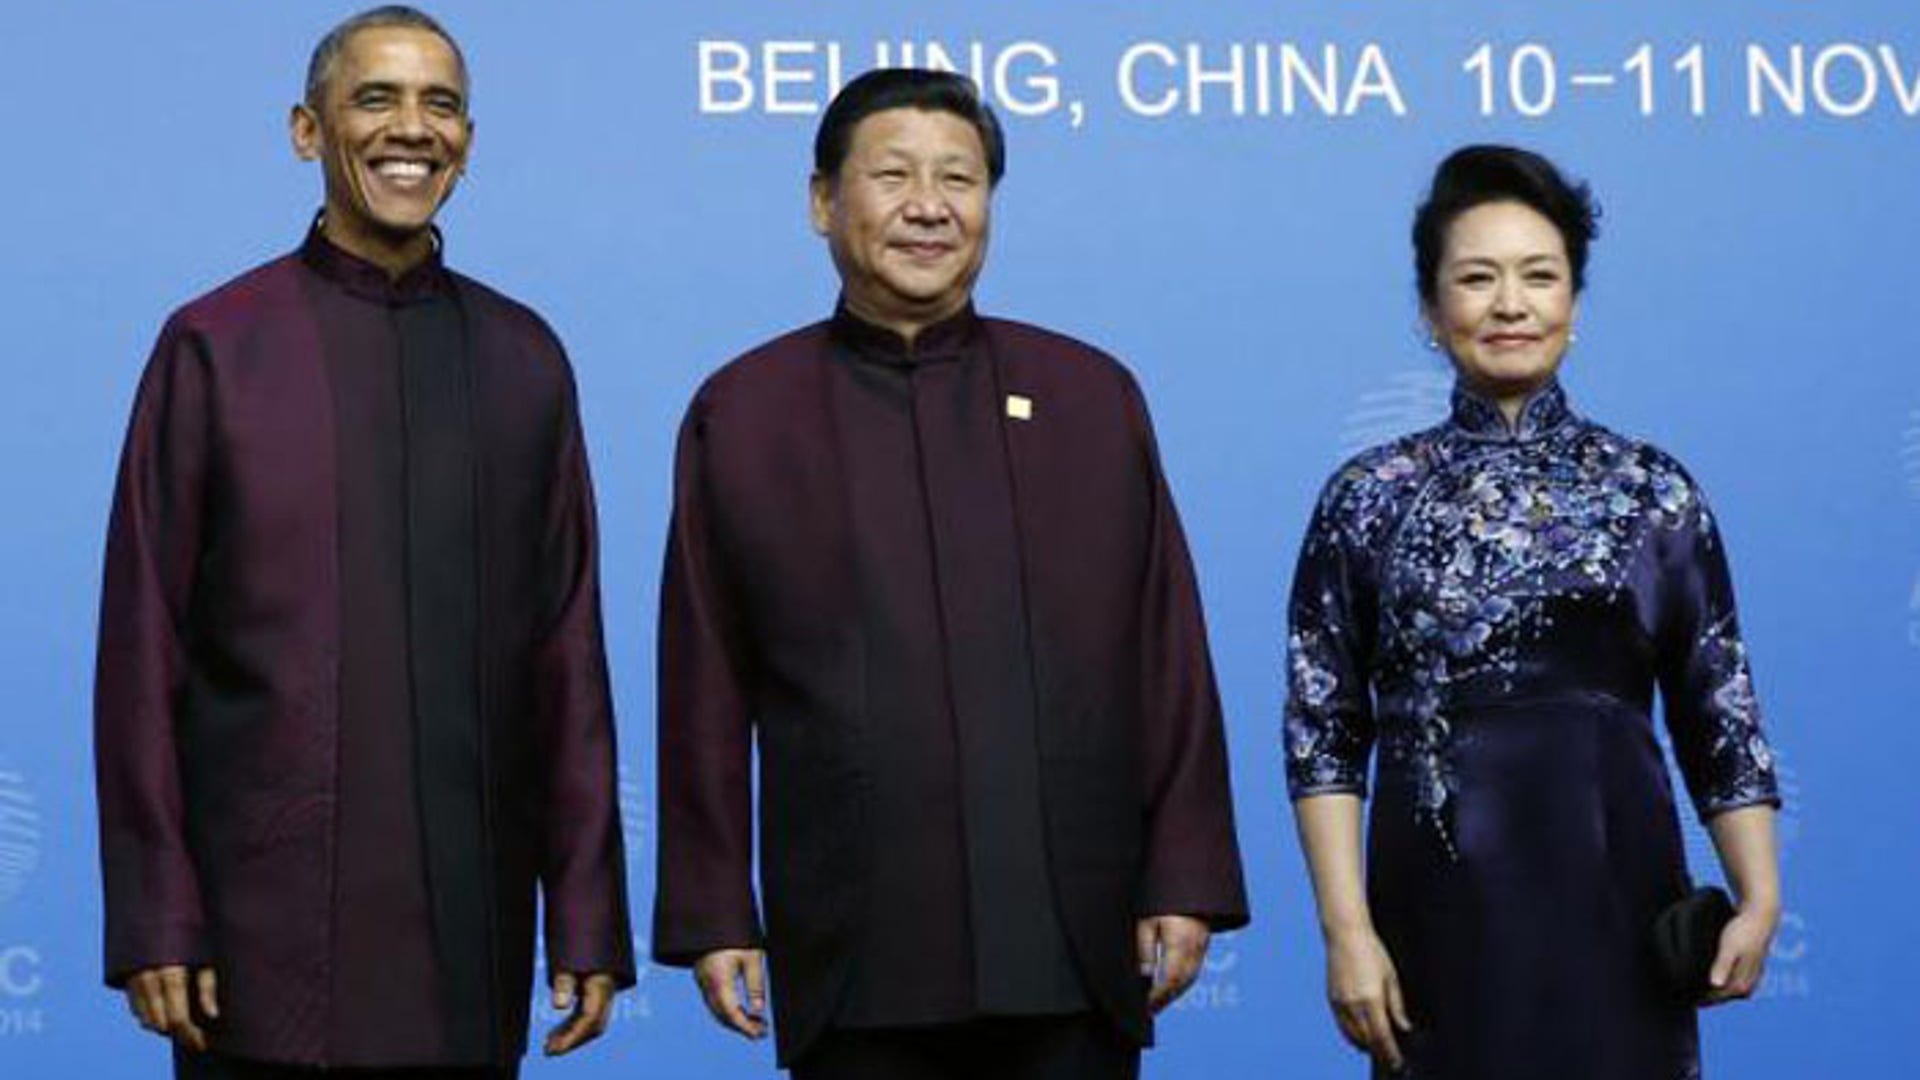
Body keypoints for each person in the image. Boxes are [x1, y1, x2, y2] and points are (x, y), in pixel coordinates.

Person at [651, 68, 1248, 1080]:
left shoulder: (1089, 396)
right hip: (855, 956)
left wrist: (1182, 875)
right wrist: (715, 908)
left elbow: (1167, 652)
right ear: (822, 202)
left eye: (959, 180)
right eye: (893, 175)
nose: (929, 206)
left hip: (1069, 945)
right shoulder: (745, 412)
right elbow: (703, 679)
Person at [94, 7, 633, 1076]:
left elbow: (567, 657)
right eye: (376, 99)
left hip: (469, 936)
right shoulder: (215, 345)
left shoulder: (526, 359)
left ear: (468, 142)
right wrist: (158, 913)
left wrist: (585, 909)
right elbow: (141, 648)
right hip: (257, 943)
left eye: (441, 104)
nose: (413, 128)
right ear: (308, 131)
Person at [1283, 144, 1783, 1079]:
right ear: (1432, 311)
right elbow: (1323, 732)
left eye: (1539, 277)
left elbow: (1720, 702)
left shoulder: (1651, 490)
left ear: (1574, 306)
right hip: (1437, 905)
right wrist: (1347, 932)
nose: (1510, 304)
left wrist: (1759, 896)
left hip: (1619, 896)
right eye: (1476, 278)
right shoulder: (1368, 496)